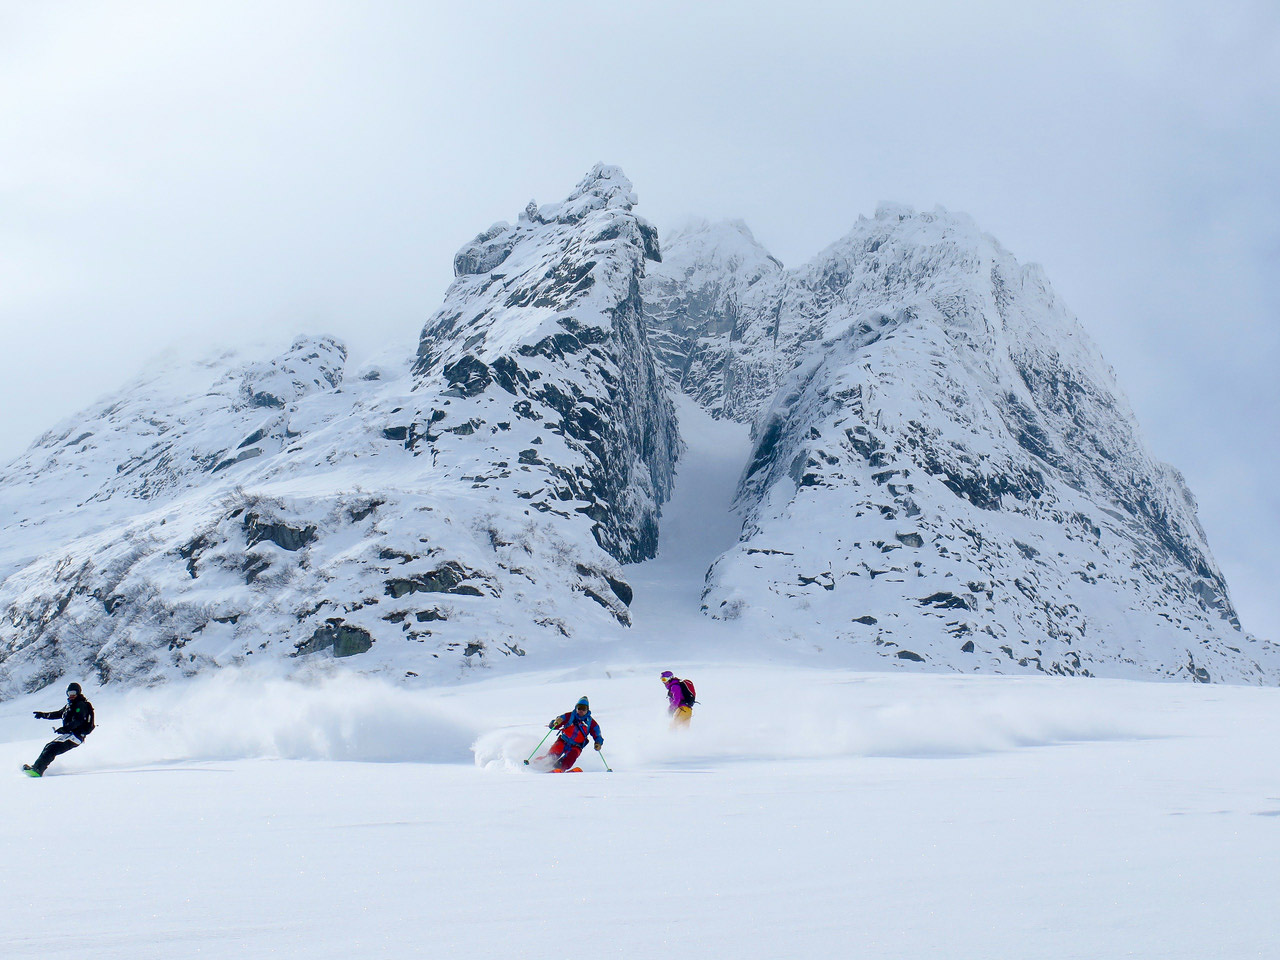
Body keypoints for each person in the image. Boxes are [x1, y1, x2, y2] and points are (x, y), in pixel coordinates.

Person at [24, 682, 95, 777]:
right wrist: (43, 715)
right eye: (69, 693)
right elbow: (58, 714)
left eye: (73, 693)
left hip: (77, 735)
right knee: (49, 746)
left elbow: (78, 721)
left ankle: (38, 769)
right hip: (70, 734)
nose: (71, 695)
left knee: (52, 748)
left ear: (78, 692)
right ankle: (37, 767)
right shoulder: (70, 705)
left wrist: (65, 729)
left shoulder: (80, 705)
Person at [545, 696, 603, 771]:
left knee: (569, 759)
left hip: (576, 746)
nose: (581, 710)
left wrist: (598, 743)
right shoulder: (569, 716)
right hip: (563, 741)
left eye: (584, 709)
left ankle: (559, 769)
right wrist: (555, 723)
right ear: (576, 708)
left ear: (587, 710)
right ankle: (538, 765)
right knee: (551, 756)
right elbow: (553, 725)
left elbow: (597, 734)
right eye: (579, 708)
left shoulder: (591, 722)